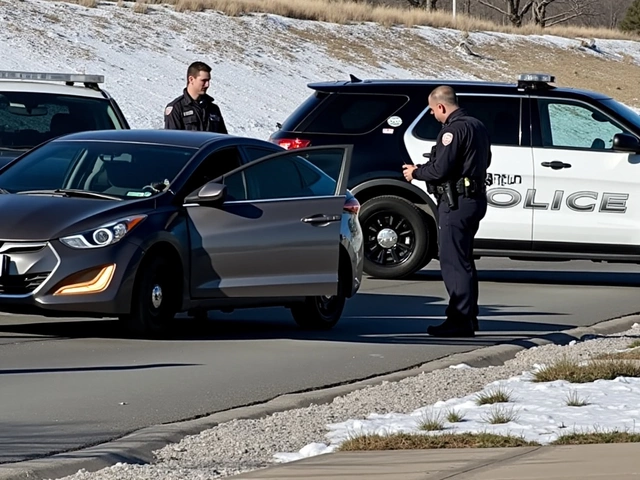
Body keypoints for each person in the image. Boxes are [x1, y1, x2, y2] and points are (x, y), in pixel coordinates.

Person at [402, 85, 491, 338]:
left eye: (432, 110)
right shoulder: (477, 126)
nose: (433, 115)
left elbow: (440, 169)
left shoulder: (452, 131)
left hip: (456, 202)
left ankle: (459, 321)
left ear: (441, 106)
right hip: (473, 199)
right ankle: (468, 317)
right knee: (464, 262)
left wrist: (415, 173)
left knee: (453, 264)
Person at [164, 61, 228, 133]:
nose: (207, 85)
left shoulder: (213, 108)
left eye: (208, 80)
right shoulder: (177, 108)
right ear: (191, 79)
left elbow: (223, 138)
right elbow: (173, 140)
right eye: (203, 81)